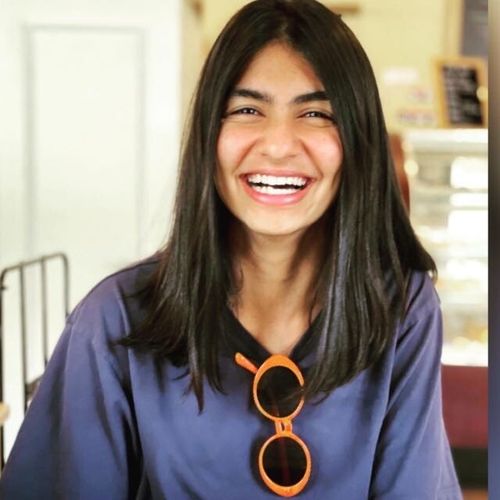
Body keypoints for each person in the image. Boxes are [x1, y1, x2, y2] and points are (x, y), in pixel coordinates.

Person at [0, 0, 461, 498]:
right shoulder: (114, 318)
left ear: (358, 141)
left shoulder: (401, 308)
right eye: (247, 110)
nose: (278, 145)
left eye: (315, 113)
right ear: (208, 134)